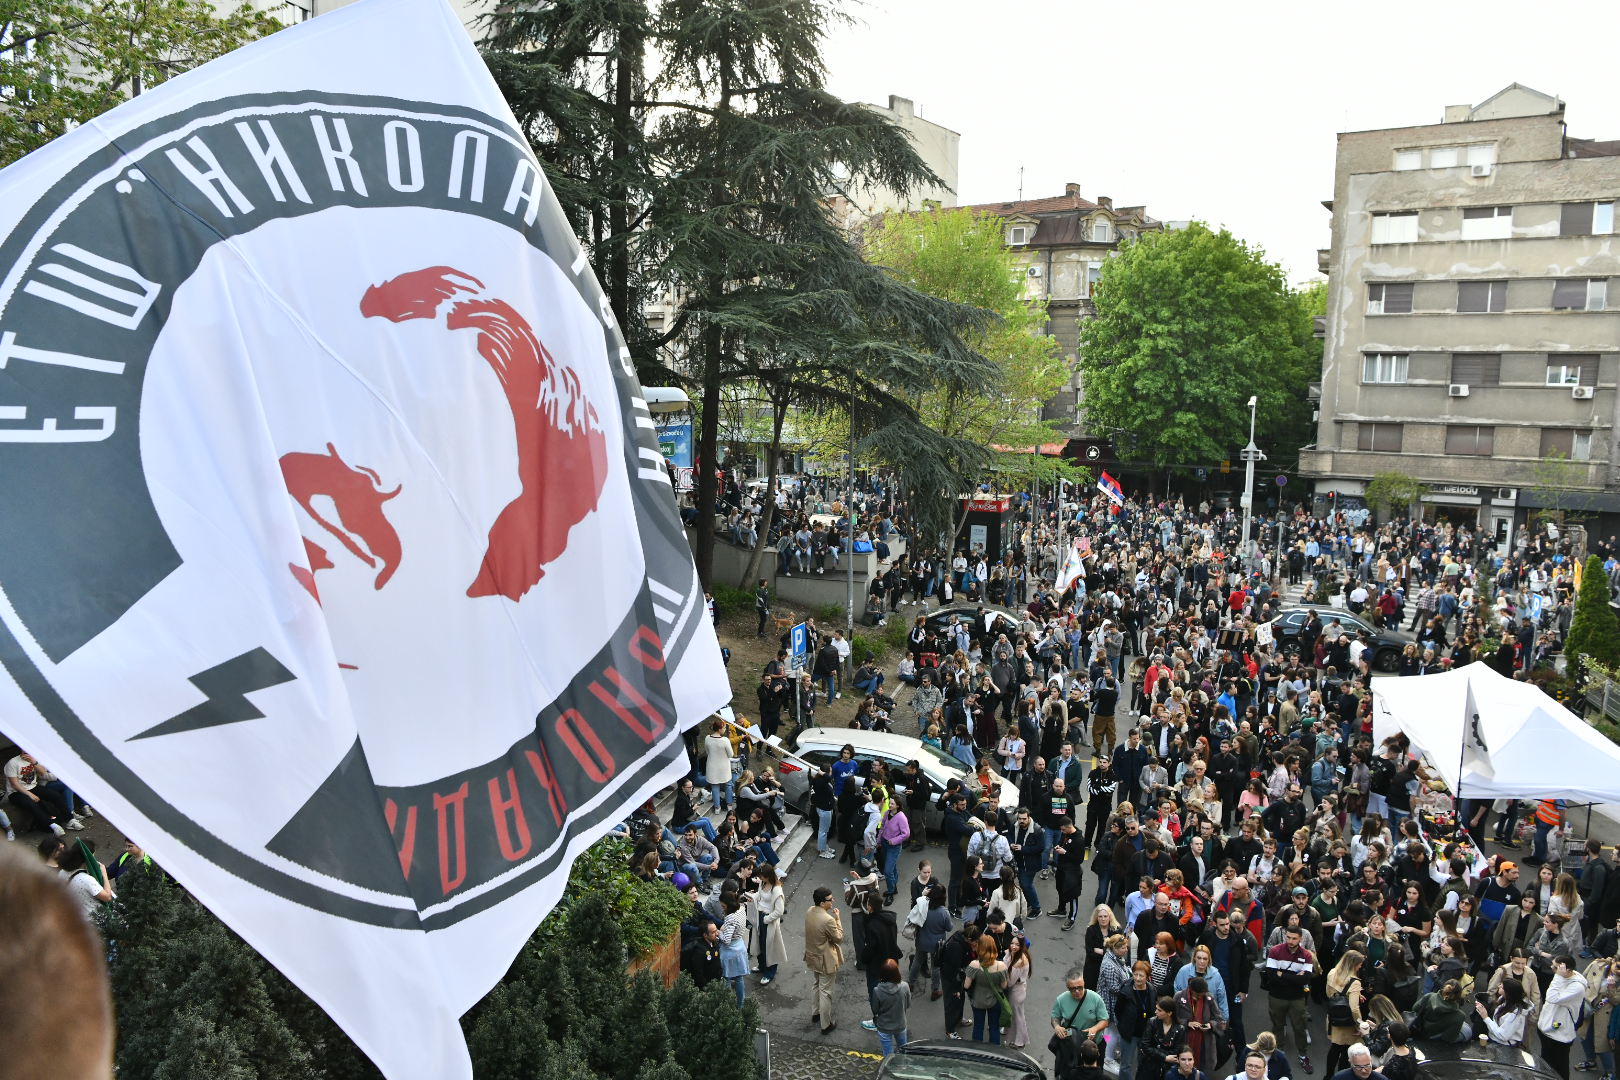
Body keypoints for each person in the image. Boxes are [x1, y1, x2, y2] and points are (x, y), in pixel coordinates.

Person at [1264, 925, 1315, 1075]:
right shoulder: (1275, 951)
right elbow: (1271, 975)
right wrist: (1294, 977)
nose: (1290, 941)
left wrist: (1282, 975)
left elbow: (1305, 978)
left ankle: (1303, 1055)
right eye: (1288, 937)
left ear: (1300, 939)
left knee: (1299, 1027)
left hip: (1297, 998)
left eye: (1294, 938)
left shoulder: (1306, 955)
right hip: (1277, 997)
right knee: (1277, 1025)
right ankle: (1278, 1054)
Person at [804, 886, 845, 1035]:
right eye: (830, 900)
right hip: (826, 959)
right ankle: (825, 1024)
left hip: (812, 956)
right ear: (822, 903)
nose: (832, 901)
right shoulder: (828, 919)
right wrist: (838, 919)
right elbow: (838, 938)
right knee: (826, 992)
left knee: (816, 984)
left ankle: (815, 1013)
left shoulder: (809, 911)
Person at [1052, 967, 1111, 1065]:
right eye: (1073, 989)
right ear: (1067, 987)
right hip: (1072, 1043)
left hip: (1093, 1046)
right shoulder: (1061, 1000)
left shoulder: (1096, 998)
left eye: (1080, 987)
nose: (1077, 991)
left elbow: (1105, 1020)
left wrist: (1094, 1029)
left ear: (1084, 983)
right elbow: (1055, 1017)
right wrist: (1057, 1026)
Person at [1539, 954, 1585, 1079]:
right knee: (1545, 1064)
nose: (1551, 968)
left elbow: (1552, 998)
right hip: (1546, 1029)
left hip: (1559, 1035)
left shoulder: (1577, 987)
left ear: (1568, 970)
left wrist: (1558, 976)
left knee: (1560, 1068)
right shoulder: (1561, 977)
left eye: (1555, 967)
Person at [1323, 950, 1367, 1078]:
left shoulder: (1332, 973)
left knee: (1334, 1048)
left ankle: (1328, 1075)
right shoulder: (1355, 982)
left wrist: (1356, 994)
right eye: (1359, 964)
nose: (1360, 967)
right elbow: (1354, 1008)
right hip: (1347, 1023)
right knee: (1346, 1052)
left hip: (1333, 1018)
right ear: (1354, 965)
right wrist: (1360, 1024)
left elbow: (1329, 993)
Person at [964, 935, 1009, 1044]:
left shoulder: (974, 965)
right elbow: (1004, 986)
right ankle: (994, 1052)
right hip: (995, 1001)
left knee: (978, 1026)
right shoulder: (1001, 966)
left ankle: (978, 1051)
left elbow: (966, 985)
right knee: (994, 1027)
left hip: (978, 1000)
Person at [1138, 995, 1186, 1080]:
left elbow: (1177, 1050)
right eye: (1156, 1009)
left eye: (1159, 1010)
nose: (1156, 1012)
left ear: (1169, 1013)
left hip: (1167, 1069)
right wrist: (1164, 1057)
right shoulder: (1152, 1022)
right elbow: (1145, 1045)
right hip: (1149, 1066)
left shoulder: (1180, 1029)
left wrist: (1156, 1052)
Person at [871, 958, 912, 1059]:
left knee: (887, 1054)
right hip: (900, 1024)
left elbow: (875, 1009)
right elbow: (908, 1004)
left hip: (884, 1027)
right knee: (903, 1050)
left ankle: (889, 1070)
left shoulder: (877, 990)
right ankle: (902, 1068)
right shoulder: (905, 986)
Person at [1473, 976, 1529, 1047]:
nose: (1499, 986)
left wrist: (1485, 1017)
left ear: (1508, 992)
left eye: (1502, 987)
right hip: (1493, 1039)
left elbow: (1503, 1036)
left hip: (1504, 1046)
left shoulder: (1515, 1013)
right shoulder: (1503, 999)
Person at [754, 864, 787, 985]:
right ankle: (762, 966)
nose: (760, 878)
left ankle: (769, 973)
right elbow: (760, 895)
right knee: (760, 944)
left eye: (762, 876)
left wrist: (767, 919)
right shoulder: (762, 883)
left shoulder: (776, 889)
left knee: (770, 947)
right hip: (760, 916)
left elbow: (779, 911)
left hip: (768, 921)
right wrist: (751, 897)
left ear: (768, 876)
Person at [1410, 978, 1470, 1044]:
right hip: (1435, 1036)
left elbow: (1414, 1008)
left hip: (1421, 1028)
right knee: (1467, 1030)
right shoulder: (1460, 1015)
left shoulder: (1429, 996)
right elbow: (1448, 1038)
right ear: (1459, 995)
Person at [717, 891, 751, 1006]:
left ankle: (727, 1006)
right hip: (740, 946)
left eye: (723, 906)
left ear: (728, 905)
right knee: (739, 978)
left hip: (730, 951)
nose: (722, 909)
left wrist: (718, 933)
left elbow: (726, 940)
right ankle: (740, 1005)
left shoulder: (730, 918)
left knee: (726, 977)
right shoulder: (741, 908)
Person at [1005, 934, 1034, 1049]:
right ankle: (1015, 1037)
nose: (1013, 946)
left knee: (1018, 1016)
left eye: (1017, 944)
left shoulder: (1019, 961)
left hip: (1016, 991)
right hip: (1019, 989)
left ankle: (1020, 1041)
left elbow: (1010, 981)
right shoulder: (1018, 955)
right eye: (1012, 943)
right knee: (1017, 1015)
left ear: (1022, 946)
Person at [681, 920, 724, 988]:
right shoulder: (699, 951)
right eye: (713, 932)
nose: (717, 934)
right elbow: (698, 973)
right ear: (705, 935)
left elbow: (717, 963)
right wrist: (706, 988)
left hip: (716, 984)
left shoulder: (714, 943)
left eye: (716, 931)